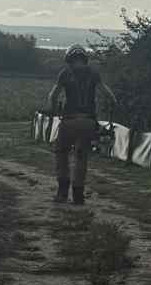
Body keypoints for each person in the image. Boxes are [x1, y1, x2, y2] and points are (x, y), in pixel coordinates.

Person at [47, 46, 119, 205]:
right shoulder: (94, 74)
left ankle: (62, 192)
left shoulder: (65, 73)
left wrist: (54, 110)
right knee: (81, 157)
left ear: (69, 60)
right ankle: (78, 195)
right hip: (88, 122)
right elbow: (107, 94)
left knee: (61, 152)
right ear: (84, 58)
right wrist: (113, 105)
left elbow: (53, 96)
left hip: (69, 121)